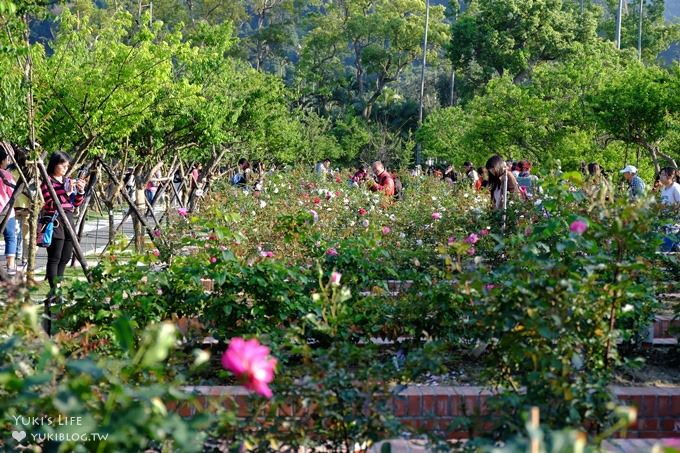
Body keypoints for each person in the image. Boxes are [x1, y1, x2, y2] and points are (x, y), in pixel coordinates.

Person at [41, 151, 86, 290]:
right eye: (63, 165)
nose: (66, 168)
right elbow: (48, 202)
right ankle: (54, 289)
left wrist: (80, 191)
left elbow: (75, 203)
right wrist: (64, 192)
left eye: (67, 166)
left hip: (69, 217)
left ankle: (58, 285)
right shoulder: (47, 182)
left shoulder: (67, 181)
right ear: (54, 164)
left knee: (66, 256)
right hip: (55, 220)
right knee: (55, 256)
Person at [9, 147, 29, 269]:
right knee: (25, 235)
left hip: (14, 206)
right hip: (26, 206)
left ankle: (17, 255)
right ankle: (24, 258)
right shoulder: (30, 171)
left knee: (14, 233)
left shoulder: (10, 170)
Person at [0, 148, 17, 273]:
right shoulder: (6, 175)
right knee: (10, 237)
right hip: (6, 212)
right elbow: (13, 193)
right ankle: (10, 265)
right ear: (2, 161)